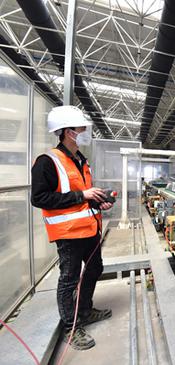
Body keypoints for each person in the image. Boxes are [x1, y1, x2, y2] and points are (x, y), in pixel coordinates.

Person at [31, 105, 113, 350]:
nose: (86, 131)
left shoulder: (80, 160)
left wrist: (99, 201)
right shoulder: (47, 162)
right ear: (68, 132)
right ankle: (71, 327)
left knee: (95, 268)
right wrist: (82, 195)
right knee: (68, 279)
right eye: (81, 127)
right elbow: (40, 198)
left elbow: (84, 194)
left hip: (89, 228)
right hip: (68, 234)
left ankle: (85, 311)